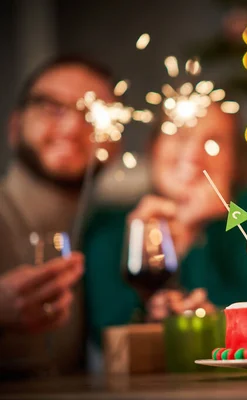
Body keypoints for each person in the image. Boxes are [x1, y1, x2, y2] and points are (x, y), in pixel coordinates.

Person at [83, 102, 247, 362]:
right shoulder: (109, 231)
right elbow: (107, 333)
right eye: (180, 135)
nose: (193, 154)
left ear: (234, 161)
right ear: (152, 147)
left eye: (214, 141)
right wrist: (145, 246)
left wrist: (194, 233)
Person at [0, 55, 119, 378]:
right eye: (51, 108)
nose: (71, 127)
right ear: (14, 126)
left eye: (92, 114)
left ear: (114, 141)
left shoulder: (111, 231)